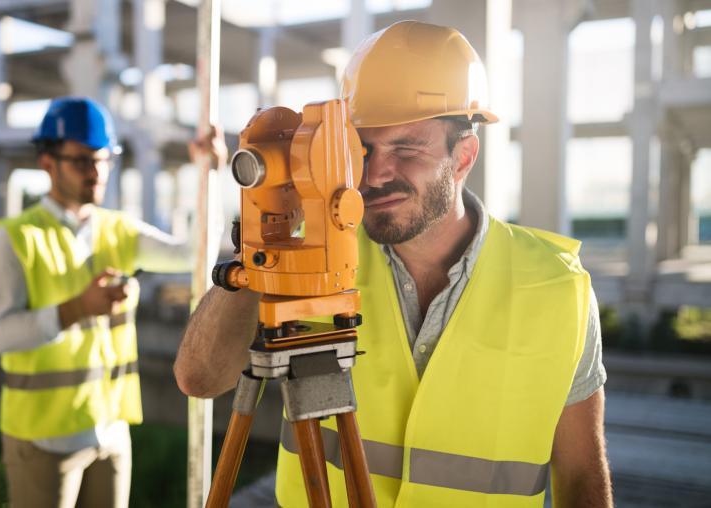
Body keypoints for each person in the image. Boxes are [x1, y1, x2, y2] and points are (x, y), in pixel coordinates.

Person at [174, 21, 613, 507]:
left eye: (407, 149)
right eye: (362, 149)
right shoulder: (306, 262)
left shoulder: (556, 286)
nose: (378, 173)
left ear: (464, 155)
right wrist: (265, 241)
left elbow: (580, 475)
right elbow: (201, 378)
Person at [0, 96, 210, 508]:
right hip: (43, 439)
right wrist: (76, 308)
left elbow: (191, 255)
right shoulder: (14, 239)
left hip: (111, 433)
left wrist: (207, 172)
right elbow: (0, 336)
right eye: (82, 160)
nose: (97, 171)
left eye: (104, 159)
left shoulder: (117, 229)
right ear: (47, 162)